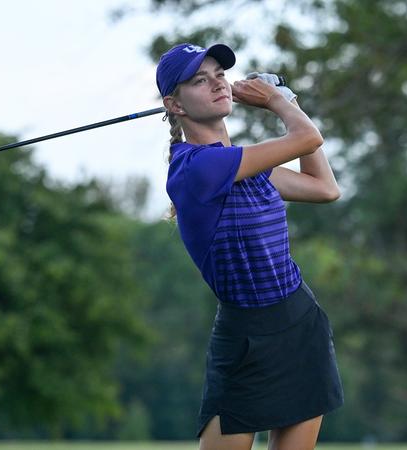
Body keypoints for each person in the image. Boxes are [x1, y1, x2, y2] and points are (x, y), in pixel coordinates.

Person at [157, 43, 344, 450]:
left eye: (220, 75)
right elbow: (307, 137)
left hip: (299, 323)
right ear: (175, 104)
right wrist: (278, 100)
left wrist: (288, 100)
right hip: (243, 337)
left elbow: (325, 188)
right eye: (200, 80)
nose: (217, 84)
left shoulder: (248, 165)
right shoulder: (195, 168)